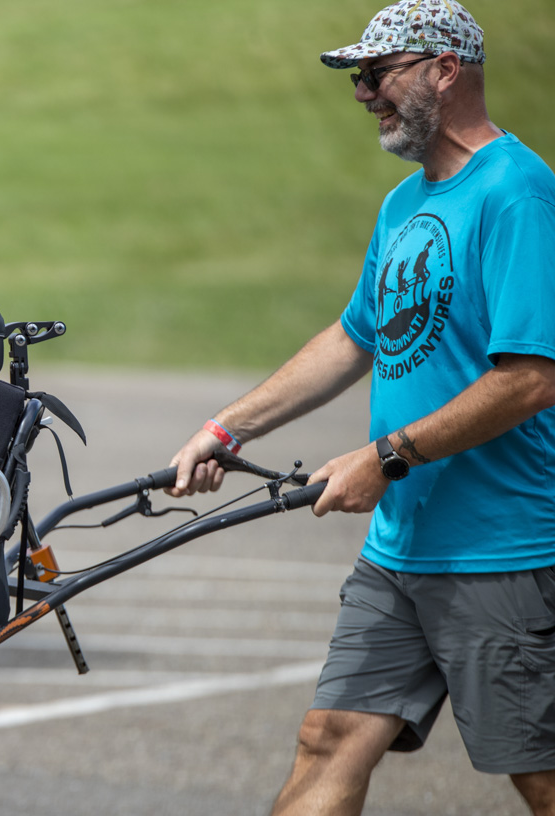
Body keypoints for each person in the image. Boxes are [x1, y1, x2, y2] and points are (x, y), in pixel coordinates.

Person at [167, 2, 555, 813]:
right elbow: (353, 339)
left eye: (375, 74)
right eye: (357, 76)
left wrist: (387, 456)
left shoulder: (518, 194)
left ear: (443, 70)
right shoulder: (404, 205)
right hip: (401, 552)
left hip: (503, 552)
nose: (362, 93)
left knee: (541, 775)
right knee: (329, 739)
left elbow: (531, 378)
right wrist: (227, 426)